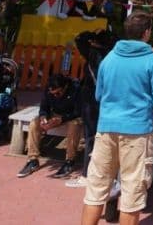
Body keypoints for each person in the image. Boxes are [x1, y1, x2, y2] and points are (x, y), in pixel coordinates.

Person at [81, 12, 153, 225]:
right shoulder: (152, 60)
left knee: (96, 188)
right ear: (146, 33)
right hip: (137, 132)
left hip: (106, 129)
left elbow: (99, 95)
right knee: (132, 191)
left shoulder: (109, 59)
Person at [65, 29, 114, 188]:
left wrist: (91, 35)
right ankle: (105, 173)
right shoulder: (114, 56)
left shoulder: (94, 53)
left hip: (92, 101)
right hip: (108, 101)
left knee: (91, 137)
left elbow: (79, 38)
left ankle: (87, 174)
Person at [17, 73, 83, 178]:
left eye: (58, 93)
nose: (55, 95)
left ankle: (70, 161)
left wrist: (62, 119)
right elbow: (43, 107)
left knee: (75, 125)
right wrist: (44, 117)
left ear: (65, 87)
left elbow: (79, 111)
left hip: (71, 116)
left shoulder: (76, 89)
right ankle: (33, 159)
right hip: (56, 114)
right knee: (34, 123)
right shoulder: (49, 89)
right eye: (53, 93)